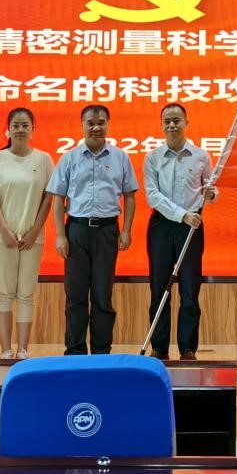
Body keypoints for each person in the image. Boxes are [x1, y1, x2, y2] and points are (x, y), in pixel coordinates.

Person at [47, 104, 138, 355]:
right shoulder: (70, 158)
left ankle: (101, 350)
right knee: (75, 295)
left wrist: (126, 230)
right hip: (76, 231)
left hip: (107, 232)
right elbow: (58, 199)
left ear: (108, 124)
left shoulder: (120, 157)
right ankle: (75, 350)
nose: (96, 127)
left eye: (101, 123)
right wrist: (60, 235)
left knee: (102, 295)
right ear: (82, 125)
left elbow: (130, 196)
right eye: (90, 123)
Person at [144, 103, 216, 361]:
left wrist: (212, 194)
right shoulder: (153, 158)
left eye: (176, 120)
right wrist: (181, 214)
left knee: (189, 289)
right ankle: (159, 348)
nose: (172, 125)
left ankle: (187, 349)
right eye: (167, 121)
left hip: (191, 228)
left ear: (186, 122)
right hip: (161, 227)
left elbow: (210, 188)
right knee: (159, 289)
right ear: (162, 125)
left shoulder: (201, 156)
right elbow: (152, 195)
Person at [0, 107, 54, 359]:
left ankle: (23, 349)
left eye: (25, 125)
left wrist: (35, 231)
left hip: (33, 238)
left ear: (33, 129)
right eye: (16, 125)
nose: (20, 129)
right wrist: (4, 231)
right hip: (3, 237)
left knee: (26, 292)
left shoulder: (44, 159)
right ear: (8, 129)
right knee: (4, 292)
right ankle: (5, 351)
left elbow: (48, 198)